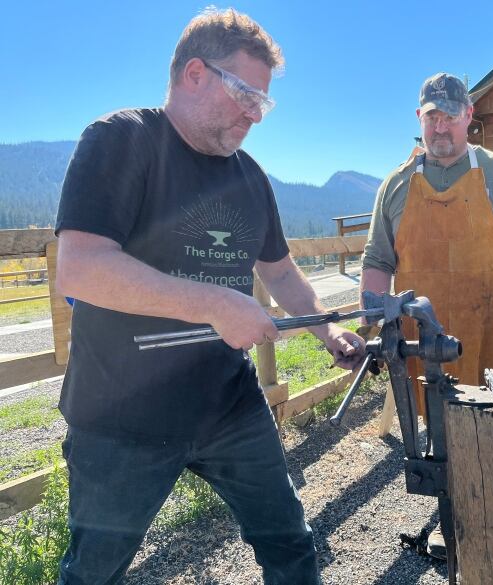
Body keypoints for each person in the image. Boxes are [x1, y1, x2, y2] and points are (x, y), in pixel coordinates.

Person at [54, 9, 364, 585]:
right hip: (120, 418)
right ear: (194, 72)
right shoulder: (122, 140)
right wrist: (216, 304)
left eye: (263, 103)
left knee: (290, 542)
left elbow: (282, 272)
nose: (254, 114)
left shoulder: (249, 177)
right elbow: (81, 268)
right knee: (94, 572)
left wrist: (326, 330)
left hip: (228, 404)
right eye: (245, 92)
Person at [360, 72, 493, 585]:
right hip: (424, 344)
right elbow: (377, 261)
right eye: (433, 116)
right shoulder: (396, 186)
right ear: (419, 119)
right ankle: (460, 533)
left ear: (469, 116)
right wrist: (372, 328)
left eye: (451, 115)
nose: (442, 126)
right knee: (441, 438)